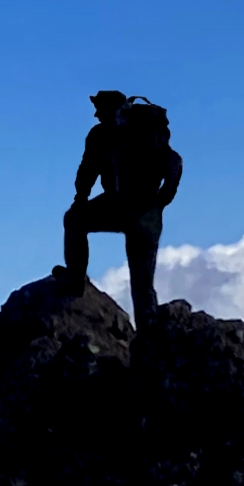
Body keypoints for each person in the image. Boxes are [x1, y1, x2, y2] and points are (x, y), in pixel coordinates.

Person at [58, 90, 183, 317]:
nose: (96, 114)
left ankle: (75, 281)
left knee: (73, 221)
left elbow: (87, 173)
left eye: (99, 109)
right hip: (148, 214)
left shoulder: (100, 135)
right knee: (142, 286)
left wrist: (80, 199)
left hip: (117, 207)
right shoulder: (149, 131)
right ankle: (150, 337)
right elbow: (174, 162)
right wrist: (161, 200)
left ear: (108, 110)